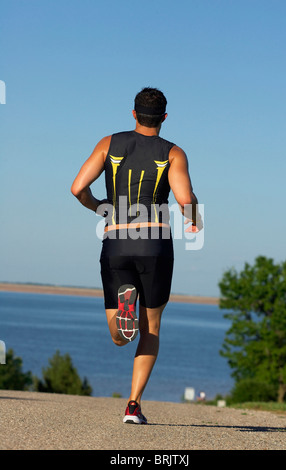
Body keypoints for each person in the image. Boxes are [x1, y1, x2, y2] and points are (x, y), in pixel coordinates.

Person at [71, 87, 202, 424]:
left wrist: (101, 208)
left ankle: (121, 319)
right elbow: (185, 200)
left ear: (133, 114)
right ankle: (133, 405)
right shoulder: (173, 152)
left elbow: (77, 188)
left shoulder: (108, 144)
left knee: (118, 338)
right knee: (152, 328)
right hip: (155, 243)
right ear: (164, 118)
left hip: (116, 240)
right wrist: (195, 219)